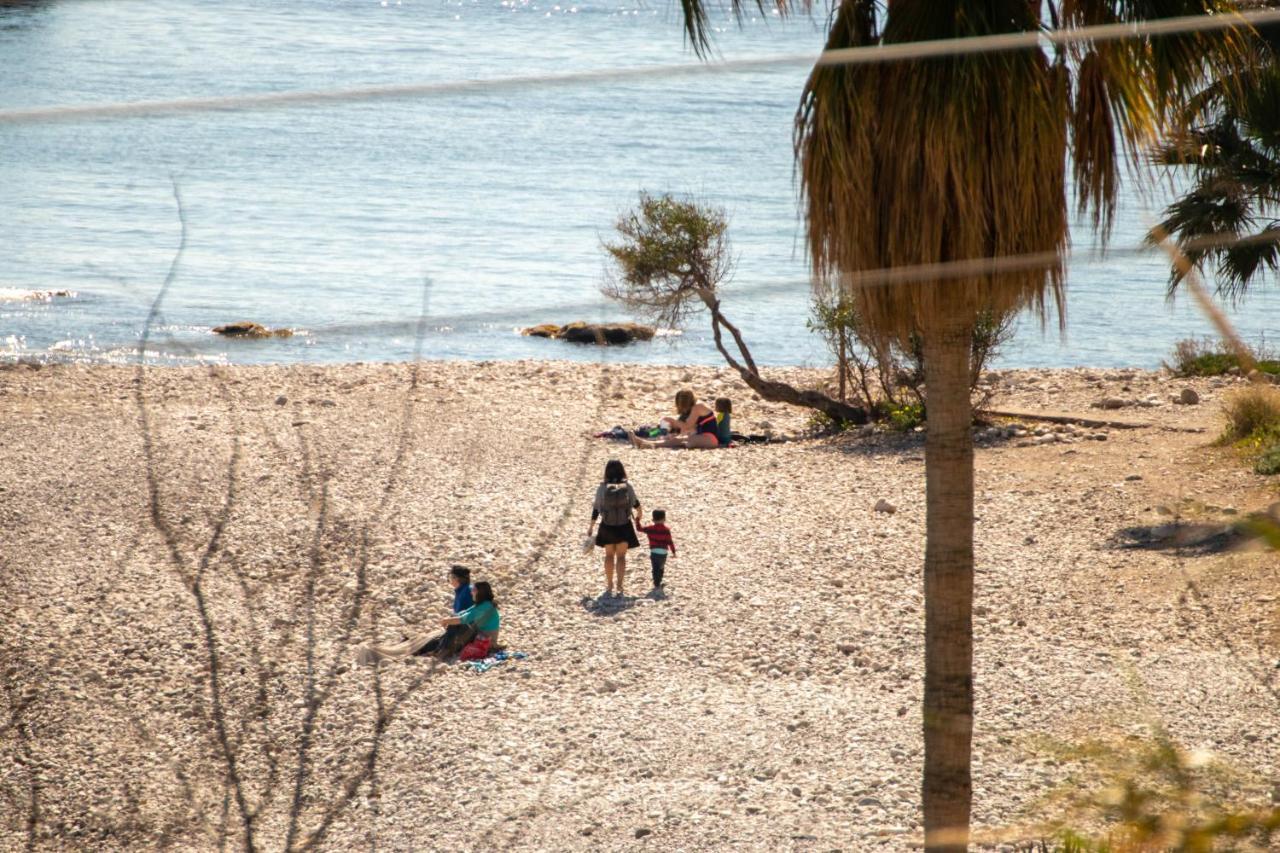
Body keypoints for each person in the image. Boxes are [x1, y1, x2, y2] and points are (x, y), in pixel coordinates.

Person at [587, 458, 641, 597]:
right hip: (624, 526)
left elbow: (596, 509)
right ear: (622, 470)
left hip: (607, 526)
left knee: (609, 555)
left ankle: (609, 584)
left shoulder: (602, 488)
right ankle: (620, 585)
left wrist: (591, 526)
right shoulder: (627, 486)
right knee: (621, 556)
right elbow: (635, 504)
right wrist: (639, 516)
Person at [413, 565, 473, 656]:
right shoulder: (461, 590)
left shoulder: (467, 591)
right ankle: (422, 649)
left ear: (456, 578)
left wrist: (450, 621)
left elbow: (465, 615)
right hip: (464, 625)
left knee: (442, 638)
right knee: (435, 639)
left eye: (451, 577)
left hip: (468, 629)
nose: (450, 579)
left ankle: (441, 651)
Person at [630, 390, 720, 450]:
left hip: (710, 438)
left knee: (682, 440)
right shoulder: (696, 407)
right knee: (679, 439)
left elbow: (687, 426)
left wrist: (673, 421)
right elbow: (690, 427)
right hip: (705, 436)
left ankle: (648, 443)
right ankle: (647, 443)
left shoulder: (698, 407)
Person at [439, 580, 501, 654]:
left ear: (480, 593)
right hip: (481, 633)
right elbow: (464, 613)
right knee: (456, 617)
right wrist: (450, 619)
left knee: (458, 624)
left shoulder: (485, 606)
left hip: (487, 640)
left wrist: (446, 621)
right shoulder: (482, 603)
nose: (471, 593)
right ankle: (445, 647)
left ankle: (445, 650)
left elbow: (463, 619)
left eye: (474, 590)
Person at [637, 508, 676, 590]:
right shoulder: (666, 530)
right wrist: (673, 552)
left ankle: (656, 582)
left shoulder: (650, 529)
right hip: (663, 552)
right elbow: (670, 542)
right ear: (664, 519)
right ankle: (659, 580)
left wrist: (637, 520)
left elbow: (639, 529)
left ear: (653, 519)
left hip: (654, 551)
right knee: (661, 567)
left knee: (655, 567)